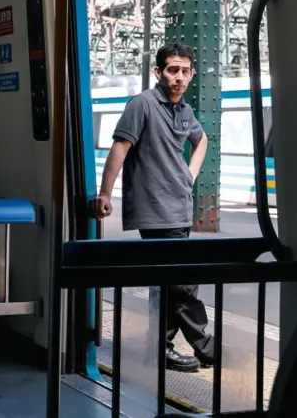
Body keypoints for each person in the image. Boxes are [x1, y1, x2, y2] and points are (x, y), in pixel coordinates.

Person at [92, 42, 215, 373]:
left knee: (168, 282)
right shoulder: (142, 105)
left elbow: (201, 141)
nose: (179, 77)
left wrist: (188, 176)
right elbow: (120, 147)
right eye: (172, 70)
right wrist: (106, 193)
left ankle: (159, 349)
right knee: (182, 281)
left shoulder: (185, 111)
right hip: (155, 208)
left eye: (185, 71)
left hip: (178, 205)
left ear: (192, 74)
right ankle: (205, 346)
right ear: (159, 72)